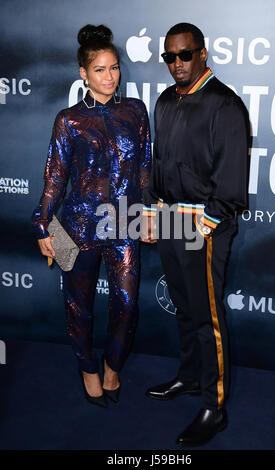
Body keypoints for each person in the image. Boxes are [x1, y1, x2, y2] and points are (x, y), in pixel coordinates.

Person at [32, 24, 151, 408]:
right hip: (74, 229)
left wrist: (150, 214)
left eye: (114, 68)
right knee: (77, 306)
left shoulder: (136, 111)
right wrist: (42, 224)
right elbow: (54, 177)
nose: (109, 76)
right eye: (99, 69)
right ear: (83, 73)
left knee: (127, 305)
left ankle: (113, 364)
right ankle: (88, 370)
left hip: (125, 224)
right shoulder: (68, 120)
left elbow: (145, 169)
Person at [142, 22, 249, 445]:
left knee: (208, 320)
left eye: (184, 55)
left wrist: (202, 228)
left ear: (202, 54)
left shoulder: (225, 105)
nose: (176, 64)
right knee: (184, 309)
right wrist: (152, 212)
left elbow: (231, 186)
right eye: (169, 57)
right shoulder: (166, 100)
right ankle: (188, 377)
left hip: (204, 226)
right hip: (169, 220)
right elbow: (159, 161)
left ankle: (213, 406)